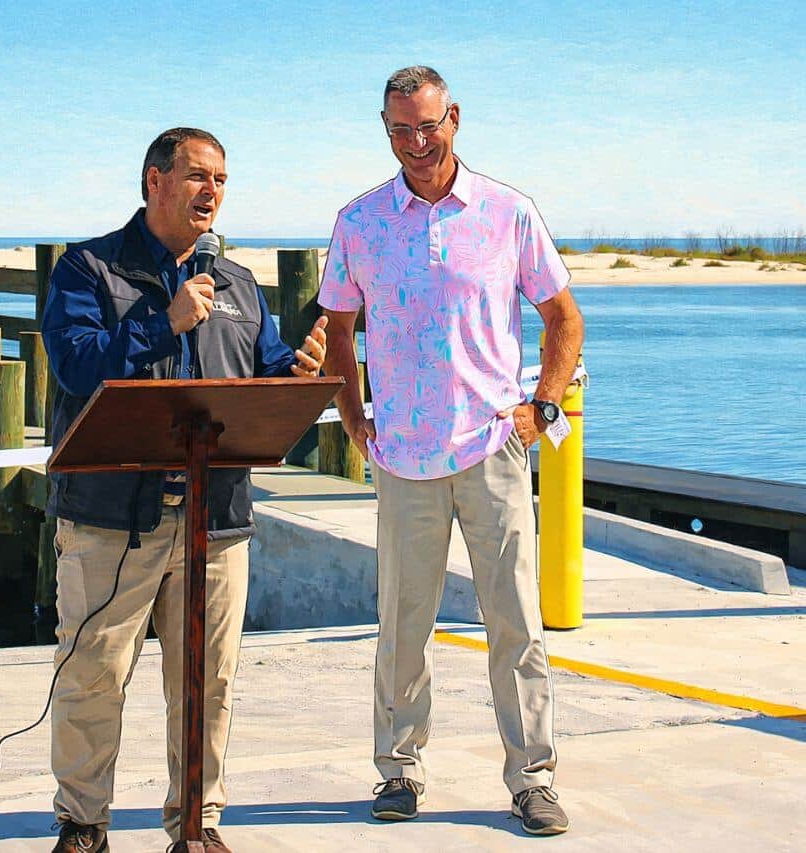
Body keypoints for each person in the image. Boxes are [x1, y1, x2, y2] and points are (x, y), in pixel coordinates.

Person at [41, 127, 328, 853]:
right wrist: (160, 321)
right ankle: (83, 823)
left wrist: (293, 377)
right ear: (154, 181)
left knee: (210, 680)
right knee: (92, 677)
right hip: (114, 519)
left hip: (217, 518)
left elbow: (259, 379)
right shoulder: (88, 269)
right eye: (198, 175)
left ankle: (196, 825)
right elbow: (77, 369)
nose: (212, 192)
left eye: (222, 180)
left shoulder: (235, 284)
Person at [318, 66, 585, 837]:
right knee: (402, 626)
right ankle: (399, 770)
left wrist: (543, 406)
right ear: (385, 129)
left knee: (517, 622)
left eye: (427, 125)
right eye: (400, 130)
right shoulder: (360, 221)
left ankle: (532, 777)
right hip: (402, 456)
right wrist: (351, 412)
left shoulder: (509, 213)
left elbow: (564, 319)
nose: (416, 143)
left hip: (493, 448)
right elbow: (339, 327)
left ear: (454, 118)